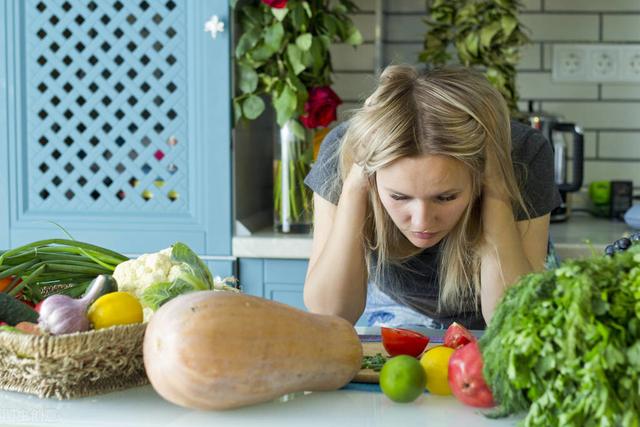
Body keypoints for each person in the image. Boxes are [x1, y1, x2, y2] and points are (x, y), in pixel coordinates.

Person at [302, 65, 562, 330]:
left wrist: (495, 190)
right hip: (395, 305)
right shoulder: (343, 149)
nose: (422, 221)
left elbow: (514, 322)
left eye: (446, 197)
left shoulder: (525, 153)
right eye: (399, 197)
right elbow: (331, 313)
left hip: (507, 304)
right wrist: (355, 185)